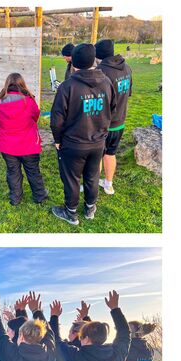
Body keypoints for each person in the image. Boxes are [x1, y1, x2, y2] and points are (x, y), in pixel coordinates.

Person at [49, 43, 115, 226]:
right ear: (93, 60)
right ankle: (89, 209)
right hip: (97, 142)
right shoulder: (107, 82)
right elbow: (112, 109)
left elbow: (57, 118)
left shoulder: (68, 86)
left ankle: (71, 213)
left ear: (74, 62)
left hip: (74, 143)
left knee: (71, 178)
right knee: (92, 176)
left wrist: (57, 140)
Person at [0, 73, 47, 205]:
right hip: (28, 144)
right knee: (33, 170)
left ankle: (15, 198)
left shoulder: (0, 101)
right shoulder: (28, 101)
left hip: (7, 146)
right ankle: (39, 195)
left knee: (13, 172)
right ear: (22, 84)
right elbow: (36, 116)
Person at [95, 39, 134, 196]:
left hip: (103, 123)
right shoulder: (127, 67)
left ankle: (93, 182)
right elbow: (128, 92)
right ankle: (108, 184)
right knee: (111, 153)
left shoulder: (101, 71)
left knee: (97, 155)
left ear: (98, 55)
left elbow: (98, 100)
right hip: (120, 121)